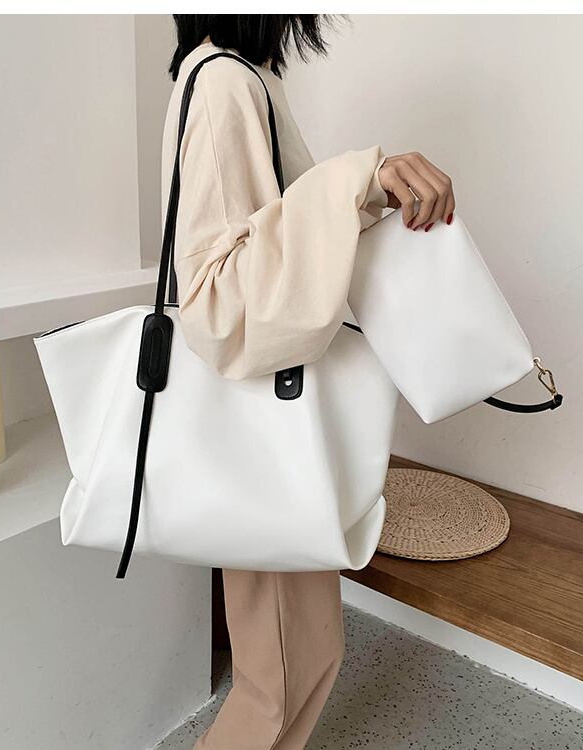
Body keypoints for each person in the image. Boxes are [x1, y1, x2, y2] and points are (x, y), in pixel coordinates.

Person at [163, 15, 455, 750]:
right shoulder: (223, 81)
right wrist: (357, 180)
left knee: (306, 659)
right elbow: (218, 301)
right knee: (276, 682)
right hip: (261, 430)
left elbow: (274, 242)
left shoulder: (248, 77)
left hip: (273, 428)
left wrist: (361, 194)